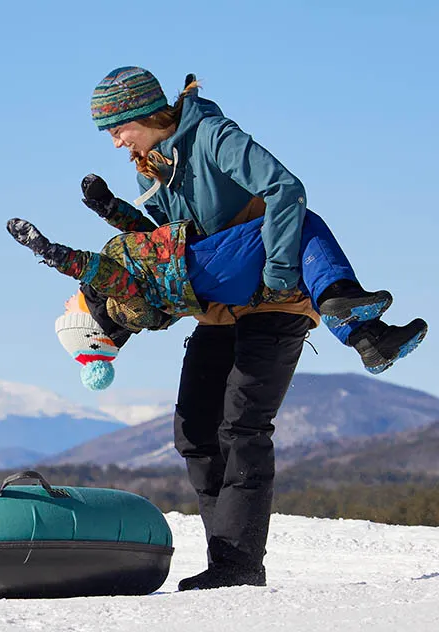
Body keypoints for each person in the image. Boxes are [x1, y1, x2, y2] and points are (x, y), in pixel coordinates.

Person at [64, 65, 423, 591]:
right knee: (193, 432)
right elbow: (172, 247)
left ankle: (238, 565)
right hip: (218, 305)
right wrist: (115, 212)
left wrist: (279, 272)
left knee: (242, 427)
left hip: (277, 303)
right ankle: (226, 555)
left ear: (143, 114)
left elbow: (284, 188)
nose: (116, 143)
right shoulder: (151, 168)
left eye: (118, 129)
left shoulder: (213, 136)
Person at [6, 192, 428, 375]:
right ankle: (341, 297)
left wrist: (106, 206)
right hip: (203, 267)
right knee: (295, 222)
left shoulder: (129, 299)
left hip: (211, 277)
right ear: (89, 326)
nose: (66, 304)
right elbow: (103, 271)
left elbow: (144, 236)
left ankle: (367, 339)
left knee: (299, 259)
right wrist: (53, 253)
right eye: (68, 313)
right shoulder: (123, 303)